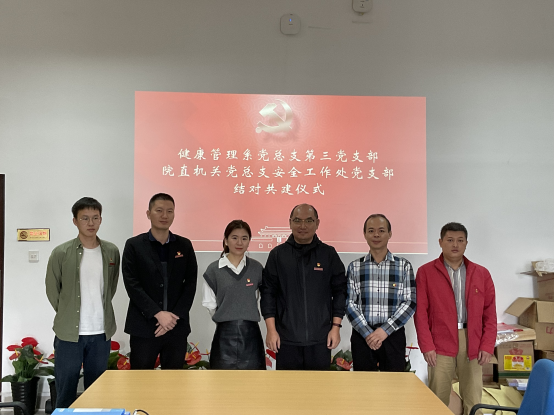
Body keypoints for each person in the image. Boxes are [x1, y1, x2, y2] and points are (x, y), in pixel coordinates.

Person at [414, 222, 496, 415]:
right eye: (450, 240)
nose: (455, 245)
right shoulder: (426, 272)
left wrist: (487, 345)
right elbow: (420, 313)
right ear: (440, 242)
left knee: (474, 399)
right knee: (437, 397)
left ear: (466, 243)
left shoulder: (481, 273)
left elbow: (490, 313)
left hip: (472, 341)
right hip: (440, 342)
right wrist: (427, 345)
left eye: (460, 240)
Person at [45, 197, 120, 408]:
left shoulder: (111, 251)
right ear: (75, 221)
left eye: (95, 218)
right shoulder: (61, 252)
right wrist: (67, 312)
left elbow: (111, 287)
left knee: (97, 391)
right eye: (85, 218)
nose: (91, 223)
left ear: (101, 219)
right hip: (69, 334)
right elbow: (52, 289)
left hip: (101, 333)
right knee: (65, 390)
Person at [260, 203, 347, 370]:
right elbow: (268, 294)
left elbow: (340, 292)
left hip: (320, 338)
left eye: (309, 220)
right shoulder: (278, 255)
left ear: (317, 223)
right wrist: (271, 330)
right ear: (290, 222)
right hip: (286, 339)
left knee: (319, 385)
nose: (303, 226)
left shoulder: (328, 254)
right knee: (288, 385)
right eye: (297, 220)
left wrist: (335, 328)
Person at [122, 193, 197, 369]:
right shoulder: (134, 245)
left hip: (176, 327)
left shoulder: (184, 245)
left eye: (170, 211)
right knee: (141, 380)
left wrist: (173, 318)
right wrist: (158, 314)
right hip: (143, 326)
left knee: (173, 380)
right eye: (159, 210)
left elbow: (190, 284)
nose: (165, 215)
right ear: (148, 214)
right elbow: (132, 284)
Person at [345, 214, 416, 372]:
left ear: (390, 234)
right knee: (363, 384)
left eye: (381, 230)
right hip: (362, 336)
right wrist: (367, 333)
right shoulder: (355, 267)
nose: (376, 235)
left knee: (394, 384)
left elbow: (410, 302)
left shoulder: (403, 266)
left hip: (393, 335)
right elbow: (349, 303)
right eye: (371, 231)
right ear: (364, 234)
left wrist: (384, 330)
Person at [202, 220, 265, 369]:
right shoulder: (214, 270)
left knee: (254, 381)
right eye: (234, 237)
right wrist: (227, 317)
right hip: (224, 336)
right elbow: (209, 304)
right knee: (222, 381)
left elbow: (262, 298)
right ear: (225, 240)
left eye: (244, 238)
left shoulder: (257, 268)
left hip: (251, 336)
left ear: (249, 241)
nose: (239, 242)